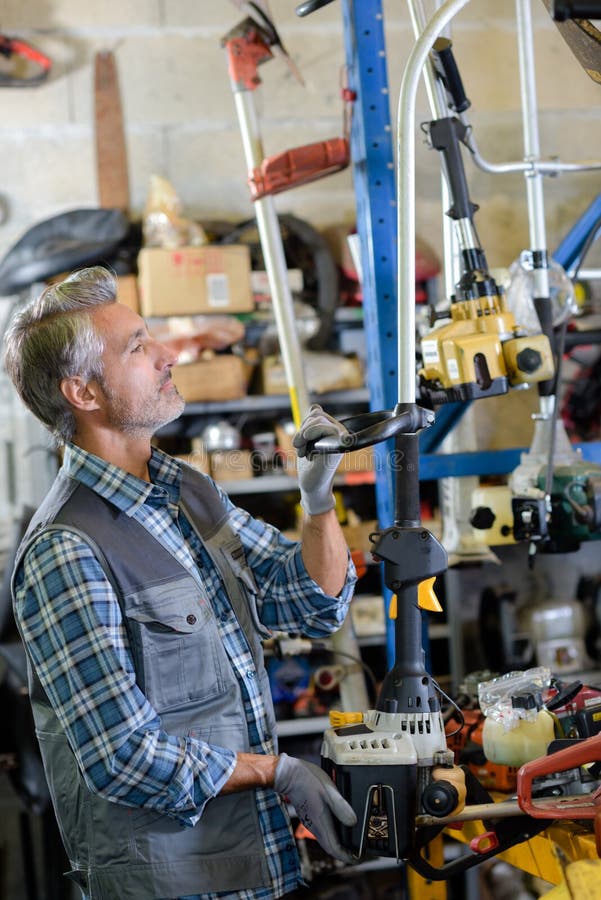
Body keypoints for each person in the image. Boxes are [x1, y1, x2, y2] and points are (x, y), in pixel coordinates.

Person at [3, 266, 359, 900]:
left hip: (256, 869)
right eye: (139, 347)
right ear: (83, 392)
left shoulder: (184, 491)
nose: (168, 356)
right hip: (176, 885)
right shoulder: (68, 548)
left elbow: (304, 600)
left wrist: (319, 501)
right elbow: (123, 756)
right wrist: (274, 771)